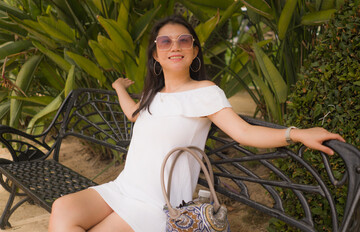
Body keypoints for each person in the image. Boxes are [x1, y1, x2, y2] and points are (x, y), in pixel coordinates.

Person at [48, 15, 345, 232]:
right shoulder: (155, 95)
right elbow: (133, 114)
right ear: (156, 55)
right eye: (165, 41)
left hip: (157, 204)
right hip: (123, 188)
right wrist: (118, 88)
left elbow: (243, 132)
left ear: (194, 50)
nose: (174, 46)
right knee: (62, 207)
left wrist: (297, 133)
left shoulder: (205, 93)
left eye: (184, 40)